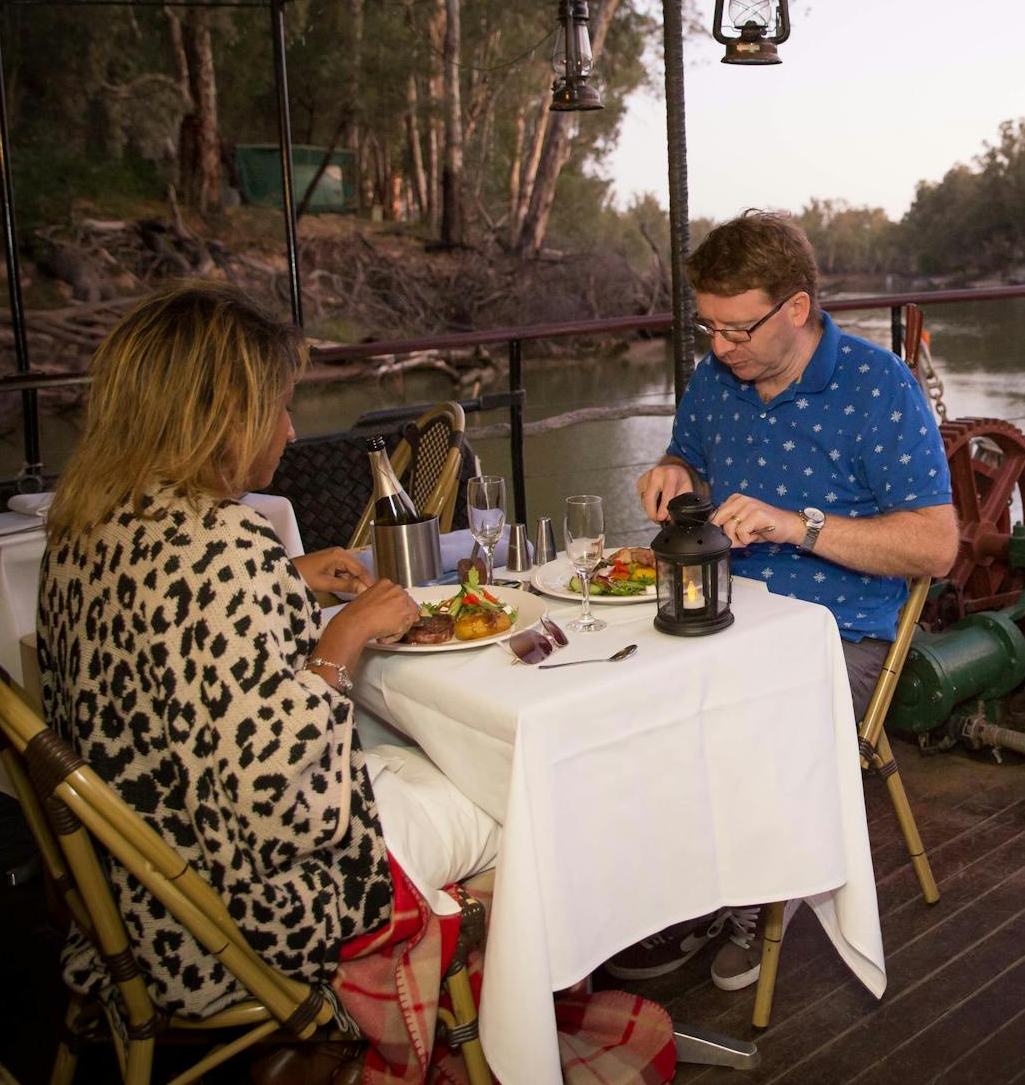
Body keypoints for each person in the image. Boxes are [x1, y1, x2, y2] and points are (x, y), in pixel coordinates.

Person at [37, 282, 672, 1084]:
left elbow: (182, 660)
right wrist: (341, 639)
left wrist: (286, 578)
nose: (290, 429)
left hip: (130, 890)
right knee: (523, 795)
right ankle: (511, 1037)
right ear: (218, 417)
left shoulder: (87, 522)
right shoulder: (223, 543)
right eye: (277, 407)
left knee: (423, 746)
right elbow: (281, 808)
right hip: (241, 911)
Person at [615, 211, 957, 991]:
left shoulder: (878, 387)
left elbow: (937, 546)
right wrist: (674, 472)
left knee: (742, 734)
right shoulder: (715, 378)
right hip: (727, 609)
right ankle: (669, 891)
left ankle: (749, 895)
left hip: (841, 634)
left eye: (737, 330)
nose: (719, 347)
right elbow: (692, 462)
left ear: (796, 308)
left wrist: (797, 526)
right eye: (708, 327)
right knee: (617, 699)